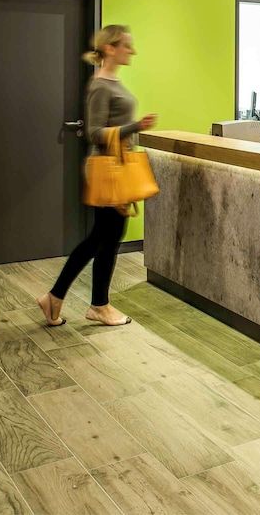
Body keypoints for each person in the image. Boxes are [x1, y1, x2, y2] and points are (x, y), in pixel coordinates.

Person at [37, 25, 157, 327]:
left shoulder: (110, 81)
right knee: (103, 238)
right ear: (111, 48)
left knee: (104, 238)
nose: (132, 51)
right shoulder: (101, 85)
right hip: (108, 170)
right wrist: (136, 126)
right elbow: (94, 132)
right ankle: (93, 304)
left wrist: (132, 129)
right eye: (127, 45)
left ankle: (66, 300)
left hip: (116, 167)